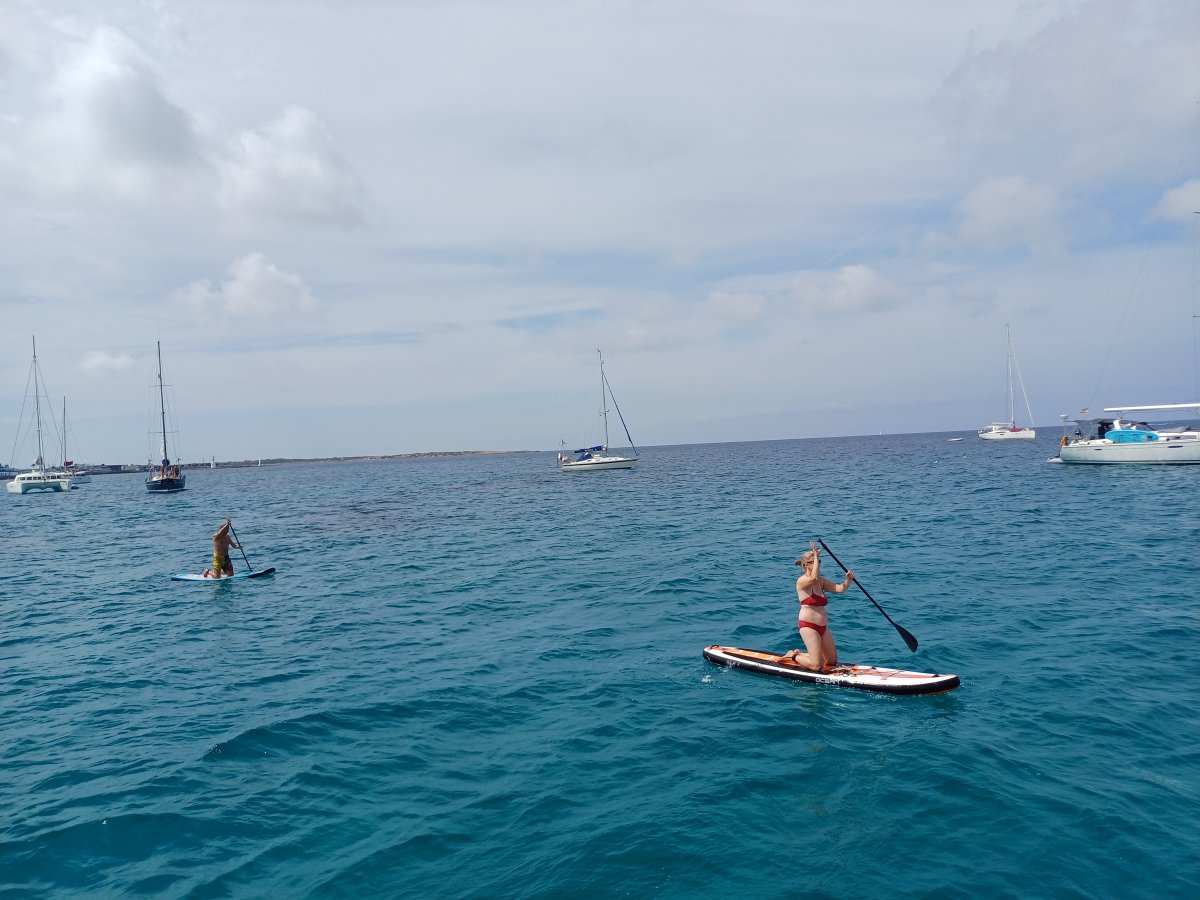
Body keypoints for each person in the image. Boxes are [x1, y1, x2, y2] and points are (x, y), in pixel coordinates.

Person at [779, 541, 854, 671]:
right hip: (808, 626)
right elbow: (813, 577)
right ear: (806, 565)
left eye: (819, 562)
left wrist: (848, 580)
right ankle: (793, 656)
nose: (818, 564)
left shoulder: (821, 581)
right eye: (814, 562)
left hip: (823, 627)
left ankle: (801, 654)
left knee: (831, 661)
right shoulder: (802, 581)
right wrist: (815, 553)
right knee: (817, 666)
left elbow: (839, 589)